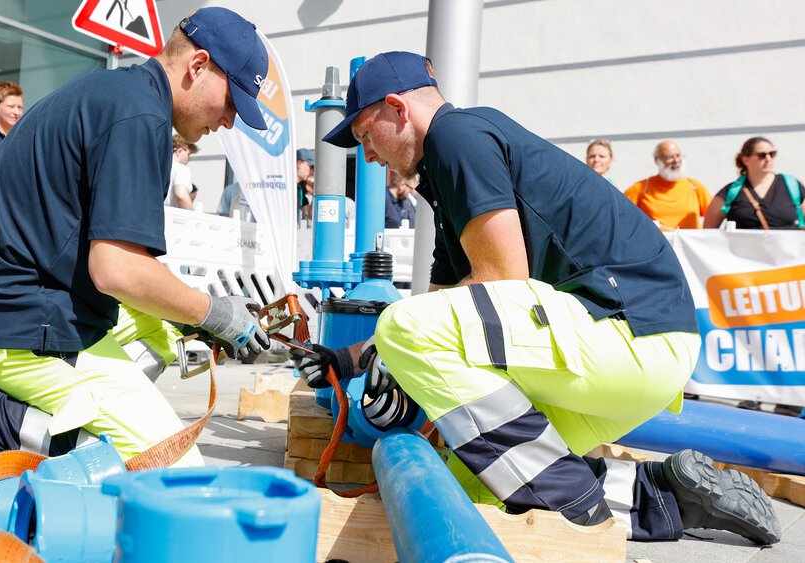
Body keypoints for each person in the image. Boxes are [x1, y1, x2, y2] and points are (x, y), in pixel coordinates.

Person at [293, 51, 780, 545]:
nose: (368, 155)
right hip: (632, 355)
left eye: (364, 136)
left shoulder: (456, 136)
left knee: (403, 325)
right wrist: (347, 360)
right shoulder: (449, 174)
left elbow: (501, 280)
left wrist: (389, 359)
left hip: (628, 333)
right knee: (478, 486)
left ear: (397, 107)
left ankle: (581, 508)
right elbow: (449, 310)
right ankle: (664, 498)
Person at [0, 7, 271, 480]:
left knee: (165, 333)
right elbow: (116, 270)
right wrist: (214, 312)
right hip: (13, 322)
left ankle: (72, 417)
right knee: (176, 477)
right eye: (232, 102)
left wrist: (195, 323)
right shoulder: (139, 116)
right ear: (198, 66)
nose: (230, 121)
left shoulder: (120, 92)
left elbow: (116, 264)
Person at [703, 137, 805, 230]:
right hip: (744, 250)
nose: (768, 159)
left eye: (772, 154)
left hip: (786, 250)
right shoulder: (731, 191)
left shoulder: (792, 185)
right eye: (762, 155)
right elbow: (708, 232)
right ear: (745, 159)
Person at [624, 140, 711, 229]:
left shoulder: (694, 186)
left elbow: (714, 218)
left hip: (689, 242)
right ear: (657, 160)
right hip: (655, 242)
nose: (676, 161)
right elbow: (622, 216)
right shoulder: (641, 188)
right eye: (669, 157)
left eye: (678, 155)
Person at [165, 134, 198, 209]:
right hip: (170, 218)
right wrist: (192, 218)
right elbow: (181, 195)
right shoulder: (182, 169)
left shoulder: (159, 166)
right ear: (179, 151)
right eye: (188, 154)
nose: (189, 159)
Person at [296, 148, 315, 221]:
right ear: (299, 164)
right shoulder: (284, 184)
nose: (312, 172)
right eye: (311, 167)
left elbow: (310, 215)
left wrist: (315, 192)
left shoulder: (300, 188)